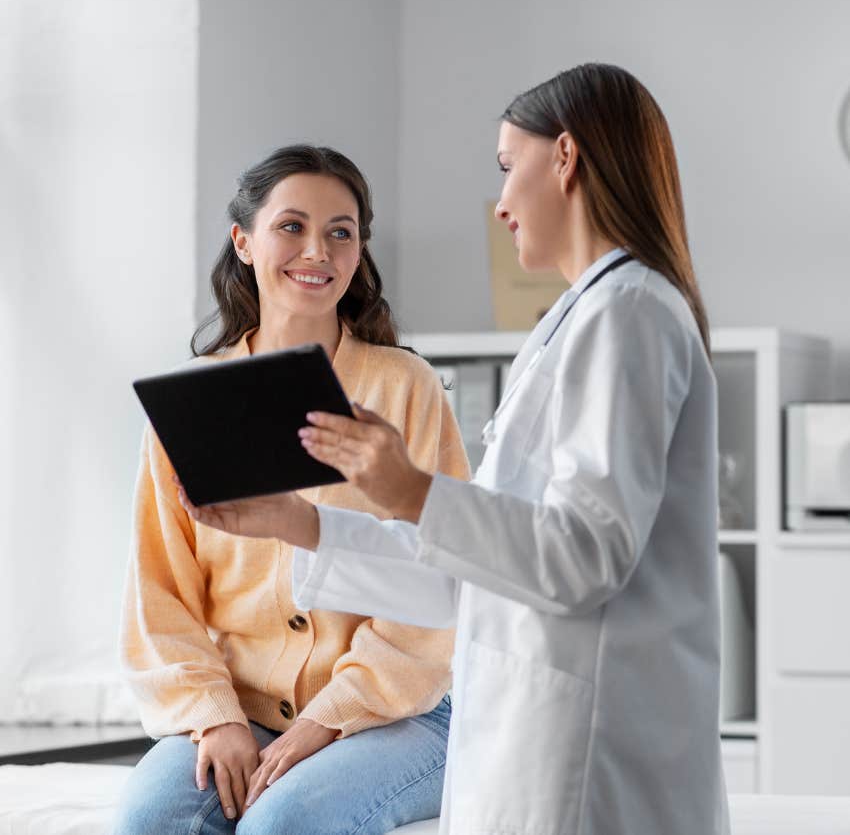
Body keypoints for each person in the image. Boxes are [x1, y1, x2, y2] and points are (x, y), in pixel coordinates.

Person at [180, 64, 731, 835]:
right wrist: (302, 524)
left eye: (510, 168)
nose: (502, 203)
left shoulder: (629, 314)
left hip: (586, 754)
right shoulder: (580, 319)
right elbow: (471, 577)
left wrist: (409, 489)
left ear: (565, 158)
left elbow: (583, 558)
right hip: (532, 734)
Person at [114, 145, 470, 835]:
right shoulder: (193, 405)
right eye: (292, 227)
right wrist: (216, 718)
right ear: (243, 242)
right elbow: (158, 590)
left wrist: (323, 722)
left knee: (282, 826)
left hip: (400, 708)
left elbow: (441, 581)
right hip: (238, 702)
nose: (319, 250)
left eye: (341, 231)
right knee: (150, 822)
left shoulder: (405, 388)